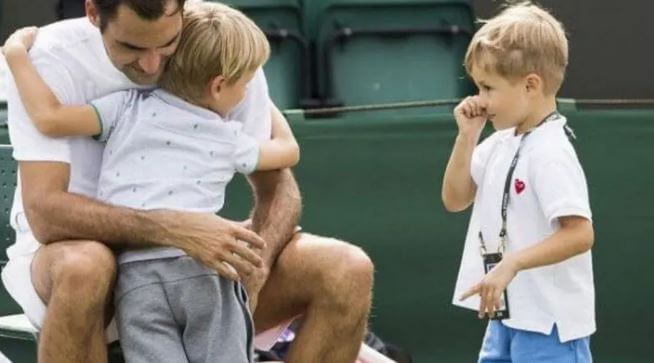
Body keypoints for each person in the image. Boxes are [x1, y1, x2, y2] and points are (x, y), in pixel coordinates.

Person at [0, 1, 373, 362]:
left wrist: (253, 268)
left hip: (197, 274)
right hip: (74, 269)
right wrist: (174, 229)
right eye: (130, 46)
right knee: (87, 266)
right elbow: (46, 215)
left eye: (166, 45)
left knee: (345, 268)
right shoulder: (52, 55)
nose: (150, 65)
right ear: (93, 12)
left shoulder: (223, 47)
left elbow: (278, 186)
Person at [441, 2, 595, 362]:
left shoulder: (552, 151)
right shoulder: (499, 141)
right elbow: (454, 198)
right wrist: (467, 136)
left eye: (488, 87)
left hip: (551, 328)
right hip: (506, 319)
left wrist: (512, 264)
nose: (480, 99)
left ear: (531, 85)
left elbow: (580, 234)